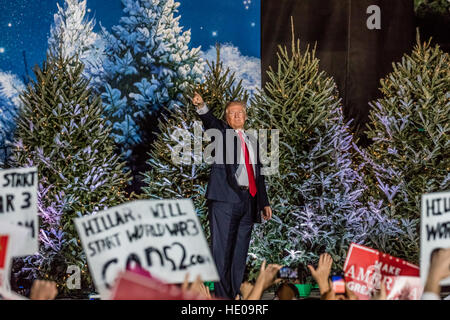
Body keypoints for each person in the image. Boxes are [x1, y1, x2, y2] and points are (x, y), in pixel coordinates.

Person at [191, 92, 273, 299]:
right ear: (226, 117)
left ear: (246, 116)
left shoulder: (253, 141)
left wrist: (264, 203)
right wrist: (202, 107)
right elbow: (210, 122)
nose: (237, 117)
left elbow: (259, 175)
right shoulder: (222, 134)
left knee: (239, 253)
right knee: (222, 252)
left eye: (240, 113)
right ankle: (222, 297)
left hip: (249, 201)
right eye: (232, 113)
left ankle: (235, 295)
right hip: (225, 200)